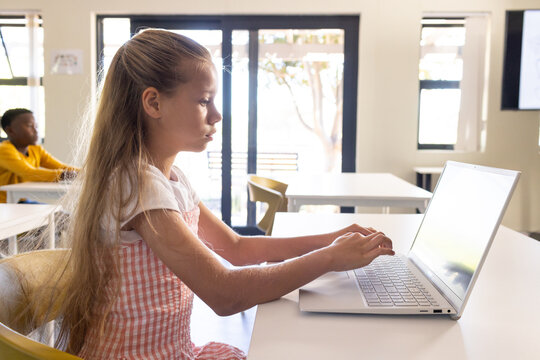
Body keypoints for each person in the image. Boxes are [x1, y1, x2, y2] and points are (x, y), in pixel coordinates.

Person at [57, 29, 394, 360]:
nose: (217, 115)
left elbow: (237, 248)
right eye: (204, 101)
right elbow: (224, 293)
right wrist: (330, 258)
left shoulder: (170, 178)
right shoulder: (137, 183)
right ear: (154, 102)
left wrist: (331, 239)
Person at [0, 108, 79, 203]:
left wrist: (86, 172)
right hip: (5, 203)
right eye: (30, 126)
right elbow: (28, 172)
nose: (36, 130)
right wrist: (64, 175)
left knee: (60, 214)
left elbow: (61, 166)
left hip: (22, 200)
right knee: (56, 215)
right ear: (10, 130)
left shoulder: (36, 149)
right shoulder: (4, 150)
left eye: (36, 126)